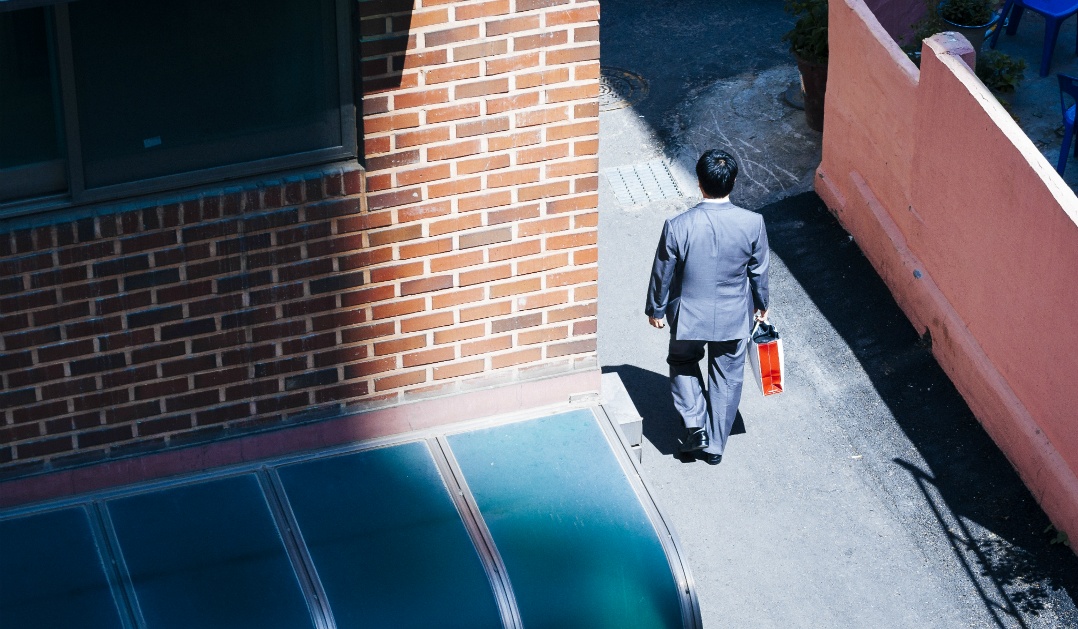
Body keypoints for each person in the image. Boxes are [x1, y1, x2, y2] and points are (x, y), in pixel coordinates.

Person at [645, 149, 770, 465]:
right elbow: (758, 270)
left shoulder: (678, 226)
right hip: (733, 316)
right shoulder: (753, 223)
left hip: (688, 316)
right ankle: (715, 447)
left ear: (699, 183)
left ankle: (695, 424)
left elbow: (663, 271)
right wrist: (761, 305)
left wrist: (656, 309)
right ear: (734, 182)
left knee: (682, 360)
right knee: (727, 376)